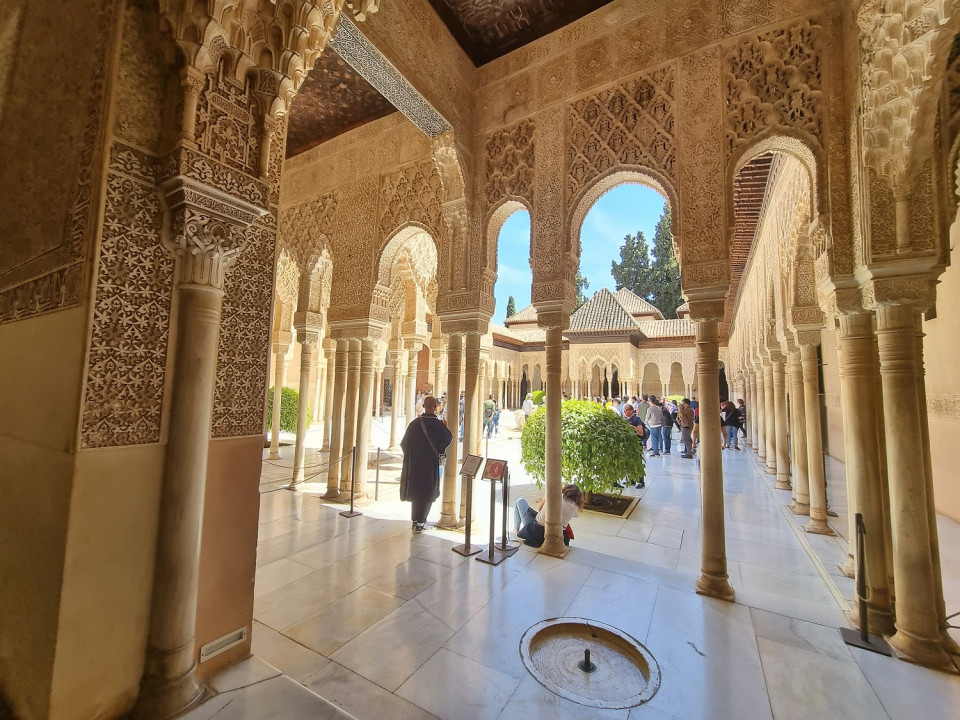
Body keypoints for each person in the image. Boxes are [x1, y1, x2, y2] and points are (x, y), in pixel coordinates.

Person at [400, 395, 452, 532]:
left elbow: (404, 444)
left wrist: (413, 456)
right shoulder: (438, 425)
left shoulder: (415, 423)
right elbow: (448, 438)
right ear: (435, 407)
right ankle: (421, 523)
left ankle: (415, 521)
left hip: (415, 465)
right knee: (427, 493)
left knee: (416, 493)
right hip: (430, 466)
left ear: (423, 406)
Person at [514, 484, 585, 548]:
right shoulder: (575, 507)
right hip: (558, 535)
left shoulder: (553, 493)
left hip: (537, 531)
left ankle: (516, 530)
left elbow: (540, 508)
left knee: (520, 501)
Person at [623, 403, 646, 488]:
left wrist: (632, 427)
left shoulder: (636, 419)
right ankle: (631, 479)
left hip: (636, 444)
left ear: (631, 410)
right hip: (628, 444)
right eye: (624, 410)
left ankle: (641, 481)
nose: (625, 412)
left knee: (637, 462)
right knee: (629, 462)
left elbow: (640, 432)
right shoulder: (625, 419)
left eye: (626, 410)